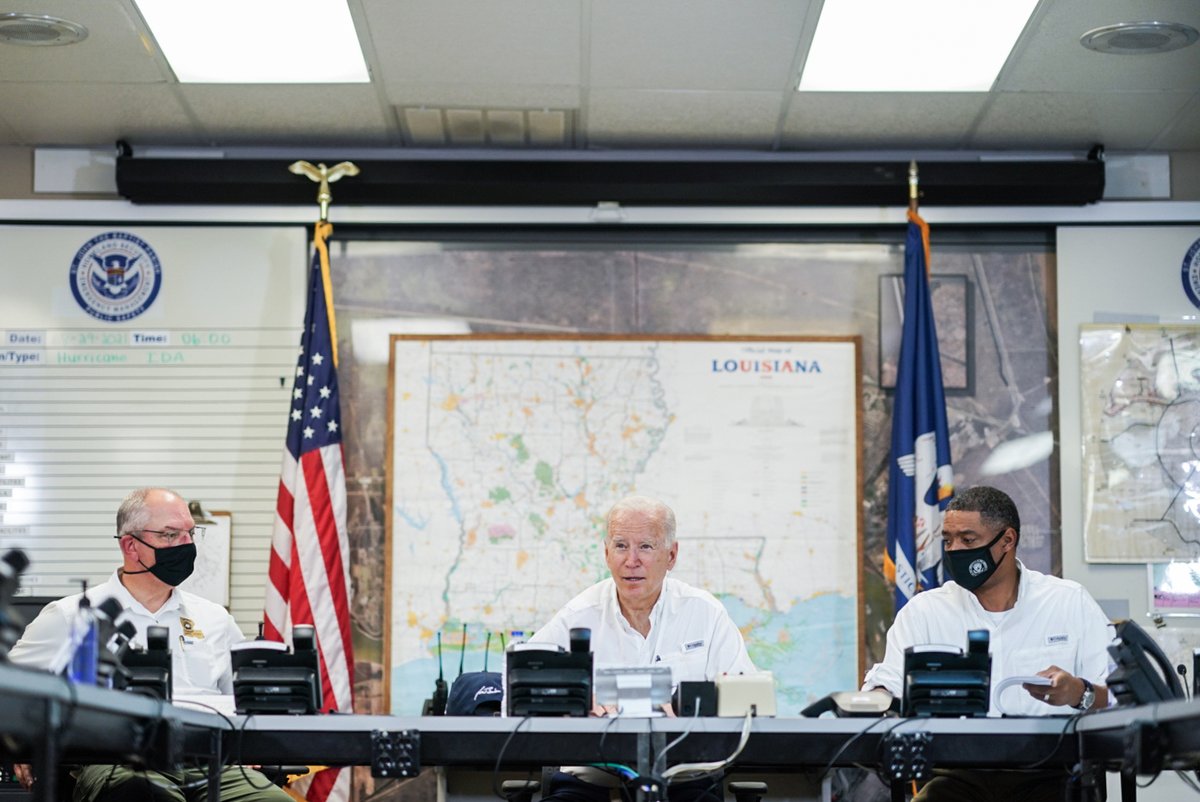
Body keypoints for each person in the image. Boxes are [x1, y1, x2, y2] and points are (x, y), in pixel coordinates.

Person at [8, 487, 291, 802]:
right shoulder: (72, 615)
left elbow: (242, 701)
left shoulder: (215, 619)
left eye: (189, 534)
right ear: (131, 545)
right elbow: (11, 690)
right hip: (118, 760)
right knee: (145, 795)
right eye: (170, 536)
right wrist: (23, 742)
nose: (185, 545)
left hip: (209, 762)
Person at [863, 485, 1115, 802]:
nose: (954, 550)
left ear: (1007, 541)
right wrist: (879, 697)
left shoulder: (1068, 601)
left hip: (1051, 771)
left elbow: (1121, 695)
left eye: (968, 540)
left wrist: (1079, 691)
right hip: (957, 774)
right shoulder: (925, 611)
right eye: (947, 540)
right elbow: (886, 686)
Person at [530, 495, 756, 802]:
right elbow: (522, 681)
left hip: (684, 778)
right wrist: (576, 698)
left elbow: (746, 699)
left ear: (672, 555)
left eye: (646, 547)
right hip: (592, 779)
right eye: (621, 546)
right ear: (606, 553)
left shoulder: (705, 613)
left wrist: (690, 707)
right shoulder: (577, 615)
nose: (631, 560)